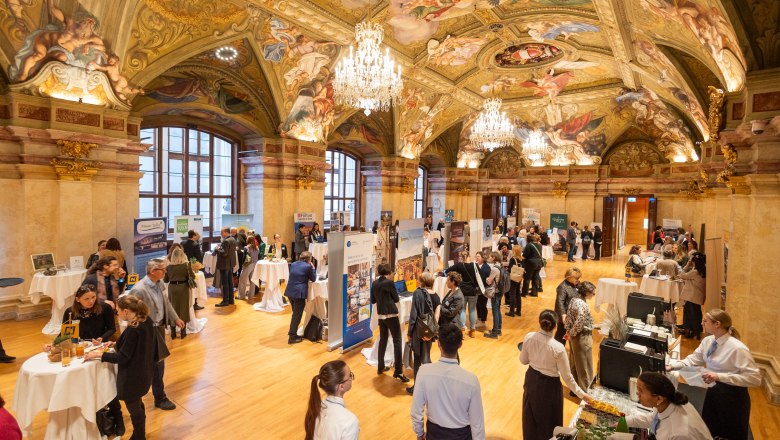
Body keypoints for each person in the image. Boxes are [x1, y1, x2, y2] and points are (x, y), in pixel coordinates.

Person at [667, 309, 760, 440]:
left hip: (733, 397)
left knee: (729, 434)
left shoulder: (738, 348)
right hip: (714, 392)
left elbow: (754, 379)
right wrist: (672, 366)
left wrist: (719, 376)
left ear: (717, 324)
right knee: (710, 429)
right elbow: (694, 359)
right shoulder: (708, 341)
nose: (701, 323)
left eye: (705, 321)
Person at [85, 295, 156, 439]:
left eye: (117, 310)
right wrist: (114, 344)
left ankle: (139, 436)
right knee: (138, 404)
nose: (116, 313)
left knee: (134, 409)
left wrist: (98, 355)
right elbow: (135, 346)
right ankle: (138, 434)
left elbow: (121, 357)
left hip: (132, 376)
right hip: (144, 371)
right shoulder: (146, 321)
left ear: (125, 311)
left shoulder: (133, 329)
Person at [520, 310, 591, 440]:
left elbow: (523, 360)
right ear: (555, 326)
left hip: (531, 381)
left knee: (530, 421)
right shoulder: (558, 347)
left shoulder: (529, 337)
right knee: (549, 424)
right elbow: (567, 377)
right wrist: (583, 395)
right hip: (549, 388)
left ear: (540, 323)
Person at [411, 323, 485, 440]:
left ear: (439, 344)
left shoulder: (423, 372)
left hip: (434, 434)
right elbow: (477, 423)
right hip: (462, 435)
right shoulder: (471, 381)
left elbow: (416, 411)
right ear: (460, 345)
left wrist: (420, 434)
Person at [129, 258, 184, 411]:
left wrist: (175, 318)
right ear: (153, 271)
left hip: (158, 329)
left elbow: (166, 303)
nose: (165, 272)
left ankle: (158, 396)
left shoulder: (160, 284)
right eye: (162, 269)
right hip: (147, 332)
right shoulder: (139, 289)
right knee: (156, 365)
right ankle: (158, 398)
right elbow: (133, 315)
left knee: (158, 364)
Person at [626, 372, 711, 440]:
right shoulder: (667, 402)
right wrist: (623, 421)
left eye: (641, 390)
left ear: (659, 399)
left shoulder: (678, 433)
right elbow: (652, 419)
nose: (637, 393)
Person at [371, 263, 410, 382]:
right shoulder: (389, 283)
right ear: (388, 272)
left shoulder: (374, 283)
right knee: (397, 341)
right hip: (392, 315)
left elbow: (373, 300)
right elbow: (397, 299)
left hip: (381, 315)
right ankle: (398, 371)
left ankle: (380, 366)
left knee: (383, 340)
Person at [305, 360, 358, 439]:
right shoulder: (350, 421)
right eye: (350, 375)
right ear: (341, 387)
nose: (351, 378)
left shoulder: (316, 406)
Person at [406, 272, 441, 394]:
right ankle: (429, 386)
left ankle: (418, 387)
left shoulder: (417, 293)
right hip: (429, 333)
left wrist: (409, 333)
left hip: (417, 332)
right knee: (426, 357)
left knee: (417, 358)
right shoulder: (437, 297)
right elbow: (437, 318)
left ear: (422, 281)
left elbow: (413, 315)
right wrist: (430, 334)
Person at [446, 253, 488, 338]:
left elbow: (447, 271)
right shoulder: (475, 266)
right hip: (473, 291)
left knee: (462, 311)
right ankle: (472, 331)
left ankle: (462, 331)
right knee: (472, 310)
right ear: (469, 257)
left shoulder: (459, 265)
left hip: (462, 291)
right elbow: (482, 277)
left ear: (461, 258)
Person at [565, 281, 595, 392]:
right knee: (585, 367)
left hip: (574, 337)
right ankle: (587, 394)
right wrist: (572, 333)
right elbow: (580, 321)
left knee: (574, 364)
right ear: (586, 293)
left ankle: (575, 391)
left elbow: (568, 318)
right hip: (582, 337)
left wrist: (569, 332)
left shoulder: (573, 300)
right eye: (593, 293)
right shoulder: (582, 304)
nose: (594, 294)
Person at [286, 251, 316, 344]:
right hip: (299, 294)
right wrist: (313, 268)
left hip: (290, 292)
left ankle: (292, 333)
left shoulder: (293, 264)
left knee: (295, 315)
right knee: (296, 316)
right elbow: (313, 278)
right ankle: (292, 337)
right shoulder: (308, 267)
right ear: (309, 260)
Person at [164, 248, 195, 339]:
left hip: (172, 288)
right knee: (183, 308)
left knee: (172, 308)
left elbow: (166, 280)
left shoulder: (168, 267)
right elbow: (192, 276)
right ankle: (183, 332)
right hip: (183, 288)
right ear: (183, 255)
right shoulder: (186, 265)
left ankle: (173, 332)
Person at [677, 253, 706, 339]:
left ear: (694, 263)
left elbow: (682, 275)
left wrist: (686, 265)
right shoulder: (703, 271)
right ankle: (691, 331)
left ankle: (692, 332)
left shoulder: (695, 272)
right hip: (698, 296)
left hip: (692, 296)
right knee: (695, 314)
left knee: (691, 315)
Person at [554, 267, 581, 345]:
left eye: (578, 277)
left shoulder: (577, 283)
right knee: (561, 334)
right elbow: (560, 301)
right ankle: (556, 350)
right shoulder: (562, 287)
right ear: (569, 277)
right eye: (576, 278)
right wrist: (563, 315)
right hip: (565, 315)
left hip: (573, 314)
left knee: (572, 334)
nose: (578, 279)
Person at [215, 227, 238, 307]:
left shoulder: (226, 241)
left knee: (225, 283)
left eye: (222, 232)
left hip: (224, 264)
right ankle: (231, 300)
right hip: (230, 264)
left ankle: (225, 301)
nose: (221, 234)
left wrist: (217, 249)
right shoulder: (233, 239)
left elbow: (224, 253)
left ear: (225, 232)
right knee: (230, 283)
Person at [484, 251, 503, 339]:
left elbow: (489, 280)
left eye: (490, 257)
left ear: (494, 258)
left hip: (495, 291)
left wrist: (487, 278)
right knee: (498, 310)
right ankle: (498, 329)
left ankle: (495, 332)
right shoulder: (500, 265)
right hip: (500, 291)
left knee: (495, 311)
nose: (489, 258)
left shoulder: (494, 269)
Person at [237, 236, 260, 301]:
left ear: (248, 240)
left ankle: (241, 296)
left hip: (248, 265)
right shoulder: (257, 248)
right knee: (252, 281)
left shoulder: (246, 247)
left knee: (242, 280)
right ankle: (251, 296)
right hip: (255, 264)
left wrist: (242, 264)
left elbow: (244, 258)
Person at [506, 246, 523, 317]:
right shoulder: (522, 259)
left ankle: (511, 311)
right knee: (518, 294)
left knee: (512, 295)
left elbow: (510, 269)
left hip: (513, 279)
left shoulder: (513, 259)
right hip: (519, 279)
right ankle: (518, 311)